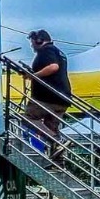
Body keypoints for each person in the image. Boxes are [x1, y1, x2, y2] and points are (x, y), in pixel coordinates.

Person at [25, 29, 72, 160]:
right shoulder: (58, 52)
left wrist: (34, 76)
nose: (32, 46)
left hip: (47, 97)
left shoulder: (46, 50)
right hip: (62, 97)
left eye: (32, 42)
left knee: (28, 118)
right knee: (50, 127)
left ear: (39, 40)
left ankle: (56, 139)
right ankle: (57, 160)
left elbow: (53, 67)